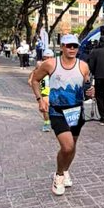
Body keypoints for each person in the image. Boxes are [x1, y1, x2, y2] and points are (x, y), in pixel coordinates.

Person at [30, 35, 92, 195]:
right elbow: (35, 80)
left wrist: (91, 91)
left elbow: (87, 85)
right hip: (57, 111)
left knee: (72, 148)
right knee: (67, 146)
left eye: (75, 46)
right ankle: (58, 175)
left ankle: (65, 171)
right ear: (62, 47)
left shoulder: (83, 65)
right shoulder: (51, 63)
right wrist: (40, 100)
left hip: (77, 111)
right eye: (69, 46)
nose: (72, 49)